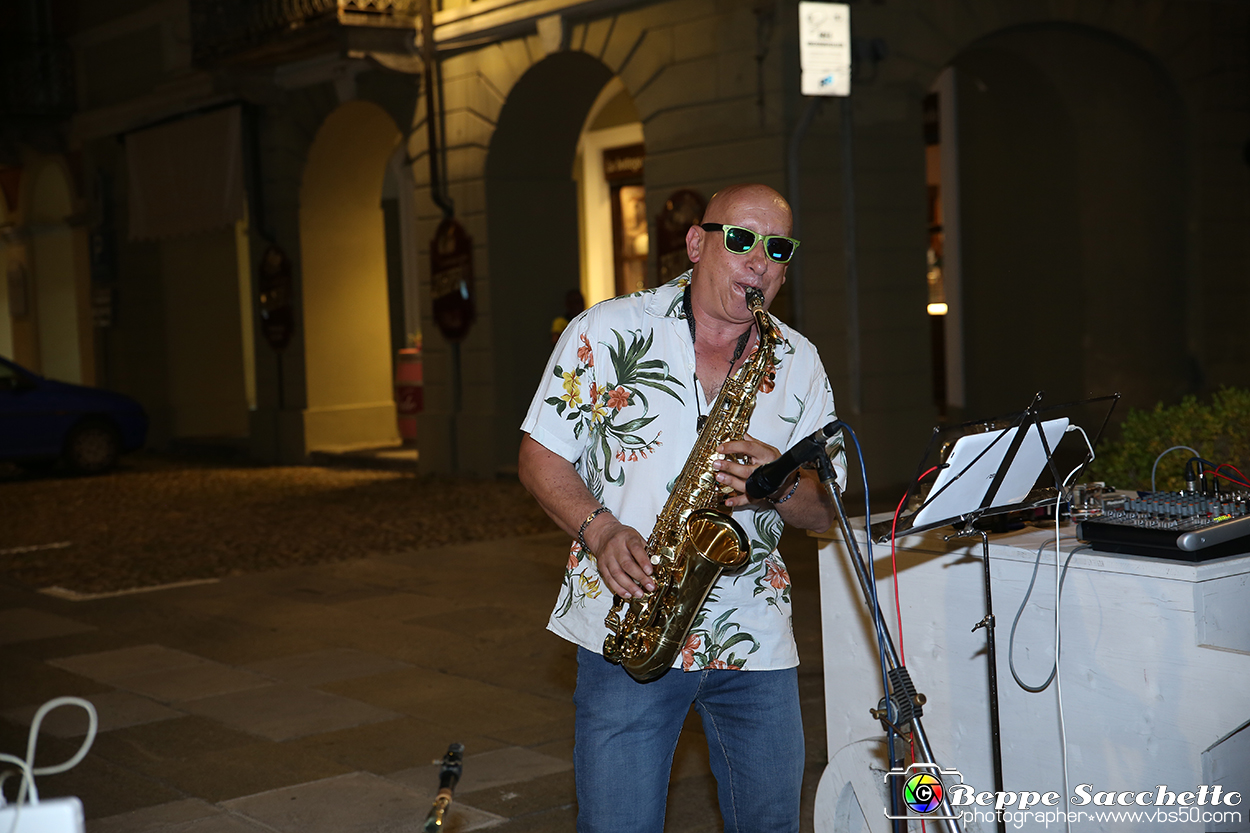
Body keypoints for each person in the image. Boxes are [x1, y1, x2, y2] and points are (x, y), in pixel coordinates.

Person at [518, 183, 845, 833]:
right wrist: (601, 529)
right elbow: (540, 456)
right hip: (633, 617)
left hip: (755, 636)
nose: (759, 261)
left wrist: (777, 484)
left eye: (776, 248)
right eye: (742, 240)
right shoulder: (606, 331)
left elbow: (826, 510)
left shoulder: (799, 362)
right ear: (698, 243)